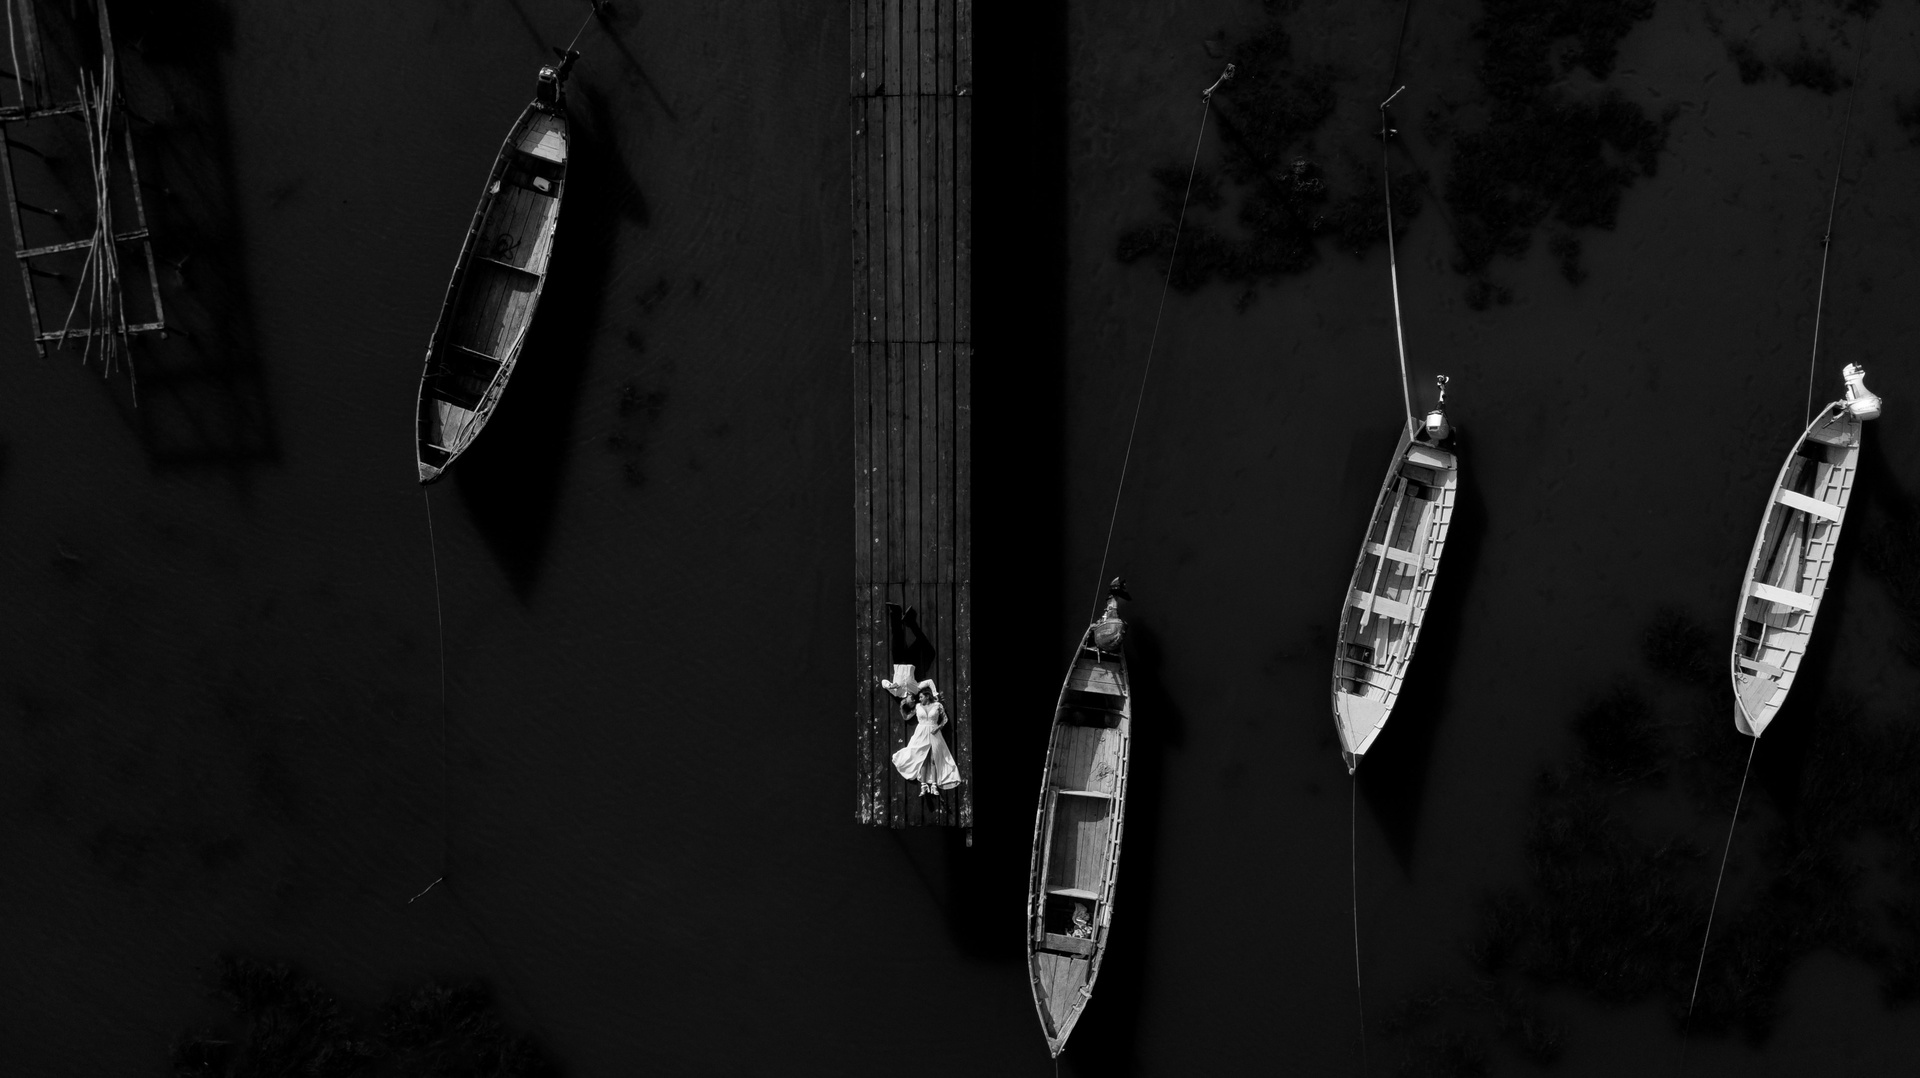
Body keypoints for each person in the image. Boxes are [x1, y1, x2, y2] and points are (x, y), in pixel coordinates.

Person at [889, 684, 963, 797]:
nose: (919, 699)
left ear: (927, 696)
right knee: (922, 758)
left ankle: (934, 785)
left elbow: (945, 719)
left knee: (934, 758)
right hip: (921, 733)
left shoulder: (938, 705)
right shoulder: (918, 706)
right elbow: (907, 717)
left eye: (921, 697)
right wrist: (902, 705)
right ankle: (923, 786)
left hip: (934, 733)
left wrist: (938, 728)